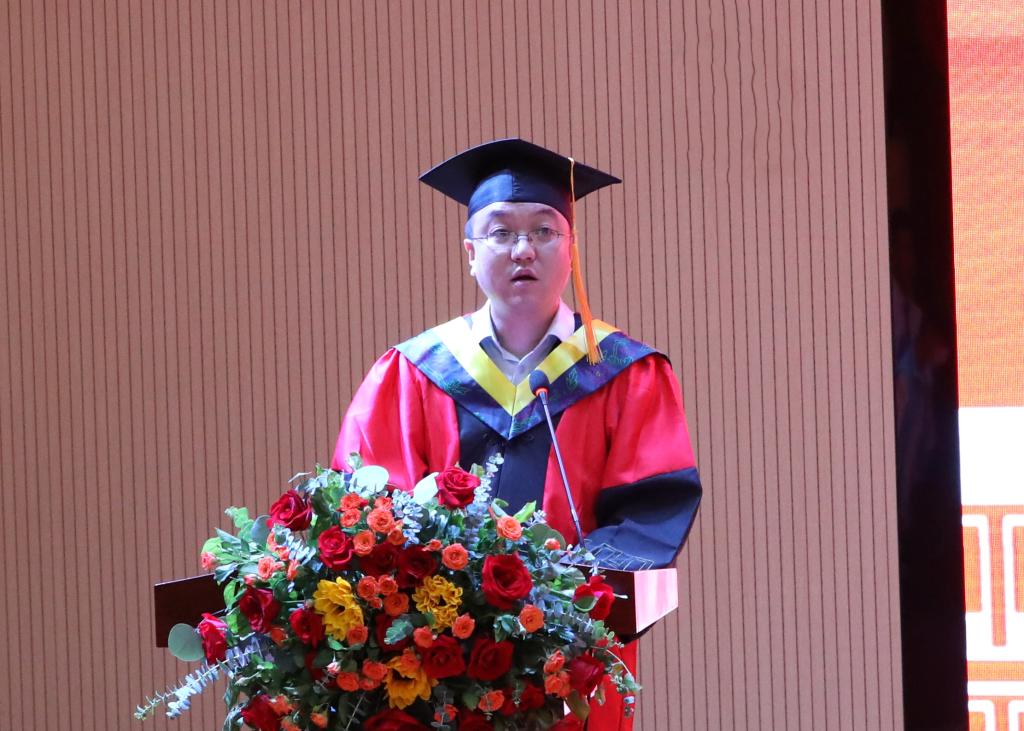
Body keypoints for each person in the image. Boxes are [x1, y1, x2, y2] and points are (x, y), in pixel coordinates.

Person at [331, 138, 701, 730]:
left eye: (544, 231)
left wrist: (554, 601)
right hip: (439, 665)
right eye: (500, 232)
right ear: (470, 254)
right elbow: (371, 508)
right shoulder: (411, 373)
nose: (523, 248)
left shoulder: (625, 373)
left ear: (571, 249)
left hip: (571, 662)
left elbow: (651, 511)